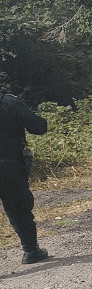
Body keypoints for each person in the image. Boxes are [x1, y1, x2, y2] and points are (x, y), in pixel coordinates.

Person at [0, 93, 50, 264]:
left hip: (9, 165)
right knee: (19, 209)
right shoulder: (8, 102)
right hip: (9, 166)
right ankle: (30, 251)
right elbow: (39, 127)